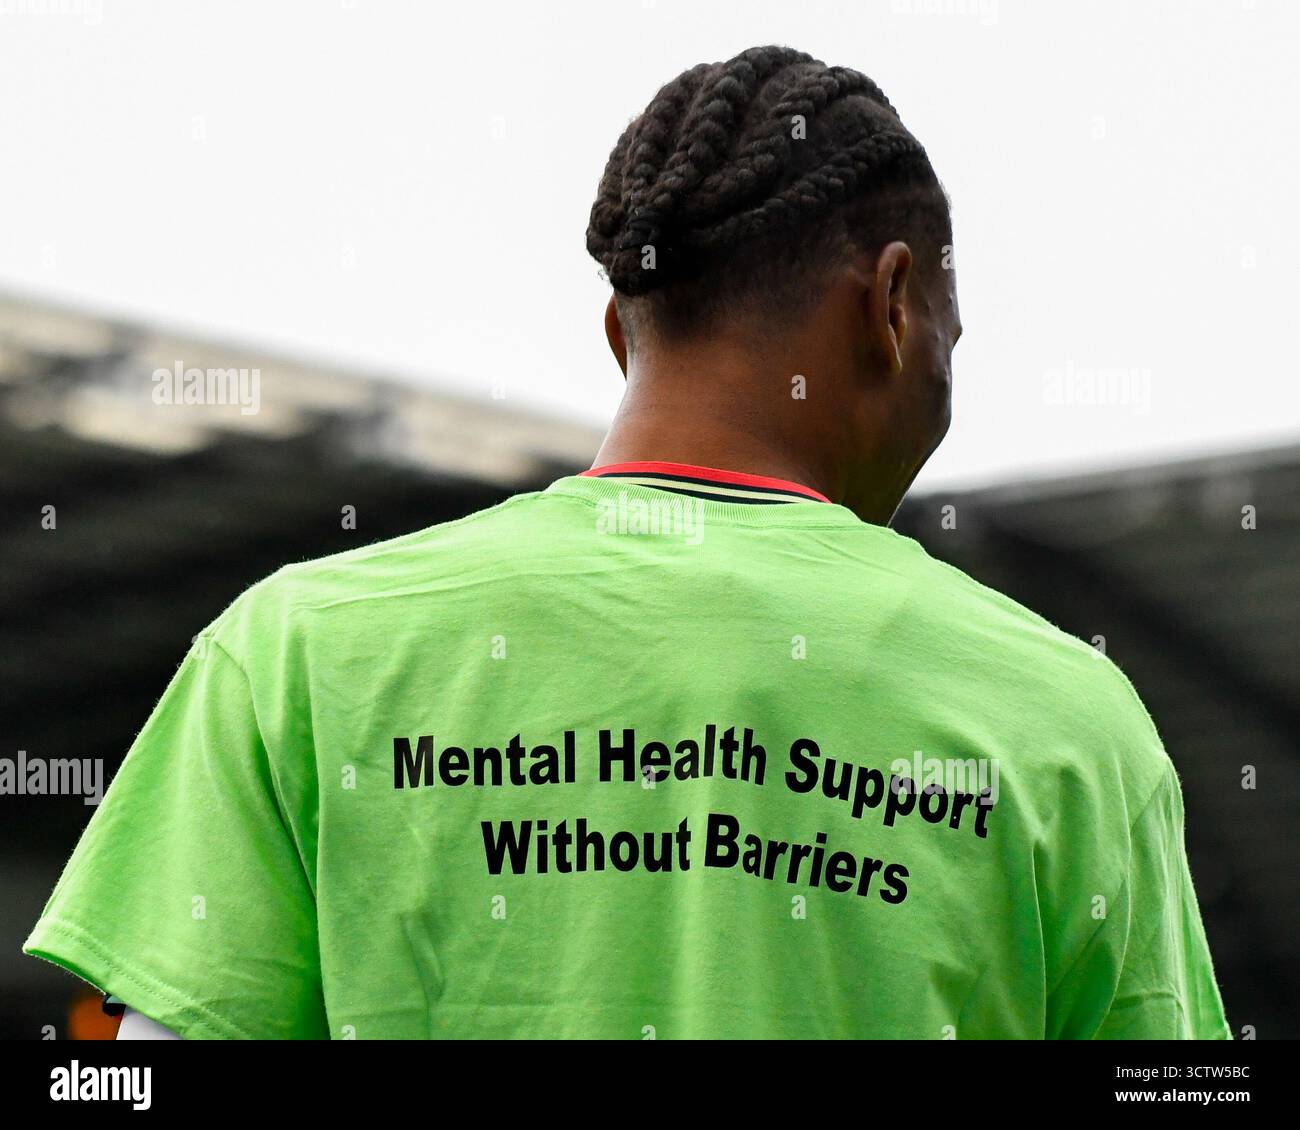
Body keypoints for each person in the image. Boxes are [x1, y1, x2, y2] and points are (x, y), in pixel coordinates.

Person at [26, 45, 1230, 1040]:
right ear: (894, 301)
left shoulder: (291, 651)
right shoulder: (1067, 723)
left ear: (620, 331)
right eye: (953, 338)